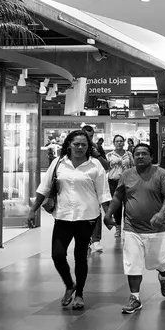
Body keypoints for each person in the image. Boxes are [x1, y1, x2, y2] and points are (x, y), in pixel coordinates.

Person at [29, 129, 111, 310]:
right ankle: (69, 285)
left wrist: (108, 215)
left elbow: (103, 193)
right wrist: (32, 210)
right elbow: (44, 187)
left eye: (84, 144)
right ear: (68, 145)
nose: (80, 147)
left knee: (80, 256)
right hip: (63, 215)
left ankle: (80, 294)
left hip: (87, 217)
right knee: (57, 255)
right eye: (76, 144)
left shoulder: (95, 165)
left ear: (89, 146)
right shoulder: (59, 163)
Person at [104, 143, 165, 314]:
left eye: (144, 154)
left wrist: (161, 213)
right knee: (132, 264)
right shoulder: (127, 174)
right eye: (137, 154)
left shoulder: (161, 174)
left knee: (160, 261)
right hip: (132, 228)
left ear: (151, 157)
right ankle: (135, 298)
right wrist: (108, 214)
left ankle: (163, 276)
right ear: (133, 157)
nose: (140, 157)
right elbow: (118, 196)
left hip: (156, 229)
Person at [105, 135, 135, 240]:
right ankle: (118, 228)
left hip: (127, 182)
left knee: (128, 205)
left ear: (124, 142)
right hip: (114, 182)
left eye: (121, 141)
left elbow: (133, 167)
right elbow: (105, 168)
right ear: (114, 143)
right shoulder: (109, 155)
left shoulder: (129, 154)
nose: (119, 143)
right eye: (117, 141)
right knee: (116, 206)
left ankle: (127, 227)